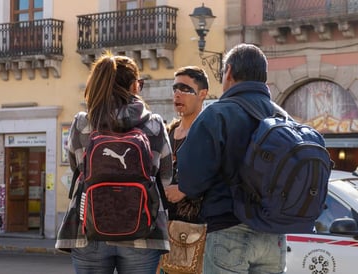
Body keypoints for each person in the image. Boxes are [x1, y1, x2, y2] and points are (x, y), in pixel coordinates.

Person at [177, 44, 287, 274]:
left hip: (228, 230)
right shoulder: (280, 116)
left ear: (228, 72)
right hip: (274, 235)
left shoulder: (217, 114)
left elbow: (189, 181)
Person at [63, 52, 173, 274]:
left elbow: (77, 169)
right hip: (143, 230)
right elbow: (166, 176)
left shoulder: (83, 122)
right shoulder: (154, 124)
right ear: (134, 86)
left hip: (89, 227)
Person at [159, 66, 209, 274]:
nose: (177, 94)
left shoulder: (208, 131)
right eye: (175, 88)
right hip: (164, 229)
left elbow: (218, 172)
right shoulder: (167, 132)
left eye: (185, 89)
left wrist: (185, 188)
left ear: (203, 94)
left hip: (196, 230)